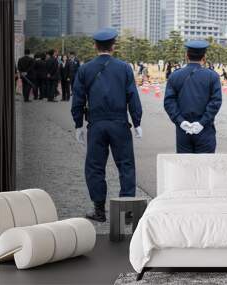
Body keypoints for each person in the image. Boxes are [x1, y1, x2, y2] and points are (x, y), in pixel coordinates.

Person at [71, 28, 143, 222]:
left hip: (96, 124)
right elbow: (132, 96)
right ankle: (127, 211)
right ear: (113, 46)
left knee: (95, 167)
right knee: (126, 165)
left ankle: (99, 210)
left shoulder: (85, 69)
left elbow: (77, 98)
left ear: (95, 46)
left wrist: (78, 124)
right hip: (119, 123)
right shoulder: (124, 68)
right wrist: (137, 122)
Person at [164, 40, 222, 153]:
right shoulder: (212, 76)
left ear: (186, 56)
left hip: (183, 131)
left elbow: (169, 102)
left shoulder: (175, 75)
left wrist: (180, 121)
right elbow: (216, 102)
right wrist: (202, 122)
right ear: (204, 57)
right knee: (205, 167)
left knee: (184, 167)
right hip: (205, 129)